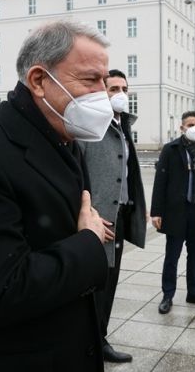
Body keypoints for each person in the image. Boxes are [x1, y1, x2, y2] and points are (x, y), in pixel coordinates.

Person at [0, 21, 116, 372]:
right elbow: (1, 292)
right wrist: (88, 241)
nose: (103, 93)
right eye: (90, 80)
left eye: (104, 81)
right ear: (40, 81)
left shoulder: (64, 139)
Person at [78, 69, 146, 363]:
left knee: (109, 285)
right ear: (101, 92)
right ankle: (89, 344)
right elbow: (78, 175)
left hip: (120, 218)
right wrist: (88, 212)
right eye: (113, 88)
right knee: (91, 287)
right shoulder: (90, 128)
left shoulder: (123, 125)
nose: (120, 94)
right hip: (97, 222)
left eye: (124, 89)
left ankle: (99, 339)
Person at [151, 110, 195, 314]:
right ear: (182, 127)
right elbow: (160, 182)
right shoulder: (170, 150)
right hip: (176, 212)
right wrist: (156, 212)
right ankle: (167, 295)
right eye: (190, 125)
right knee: (172, 256)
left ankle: (194, 292)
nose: (194, 128)